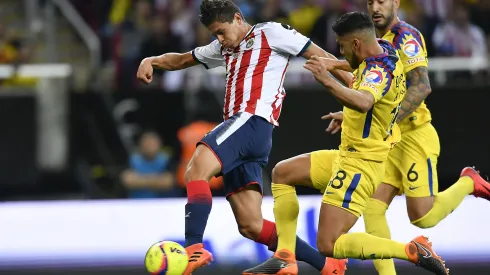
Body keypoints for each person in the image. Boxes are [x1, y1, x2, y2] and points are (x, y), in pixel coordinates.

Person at [136, 1, 352, 274]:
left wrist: (356, 85)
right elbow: (181, 59)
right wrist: (151, 60)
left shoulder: (271, 32)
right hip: (247, 136)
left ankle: (192, 249)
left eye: (221, 31)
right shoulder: (223, 46)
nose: (219, 39)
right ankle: (327, 265)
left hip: (251, 120)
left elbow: (320, 56)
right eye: (215, 34)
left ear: (238, 18)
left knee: (195, 170)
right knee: (251, 225)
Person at [243, 11, 449, 275]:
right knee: (283, 172)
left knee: (327, 244)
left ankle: (410, 251)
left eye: (342, 47)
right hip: (347, 155)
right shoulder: (385, 50)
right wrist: (336, 66)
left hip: (360, 166)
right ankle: (285, 256)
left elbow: (364, 100)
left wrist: (326, 78)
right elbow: (359, 70)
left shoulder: (377, 72)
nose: (339, 52)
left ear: (356, 44)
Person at [320, 1, 490, 274]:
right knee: (373, 208)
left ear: (396, 3)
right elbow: (373, 84)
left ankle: (468, 182)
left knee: (423, 218)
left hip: (413, 135)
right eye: (371, 1)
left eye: (382, 1)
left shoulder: (405, 36)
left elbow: (422, 86)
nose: (376, 7)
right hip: (390, 139)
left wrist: (383, 121)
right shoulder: (373, 40)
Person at [121, 131, 179, 198]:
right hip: (136, 202)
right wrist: (157, 180)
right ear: (140, 144)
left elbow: (168, 182)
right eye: (147, 143)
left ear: (159, 144)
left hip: (162, 203)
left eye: (152, 143)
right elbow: (128, 181)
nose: (149, 146)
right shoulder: (133, 159)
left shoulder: (167, 159)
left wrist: (139, 180)